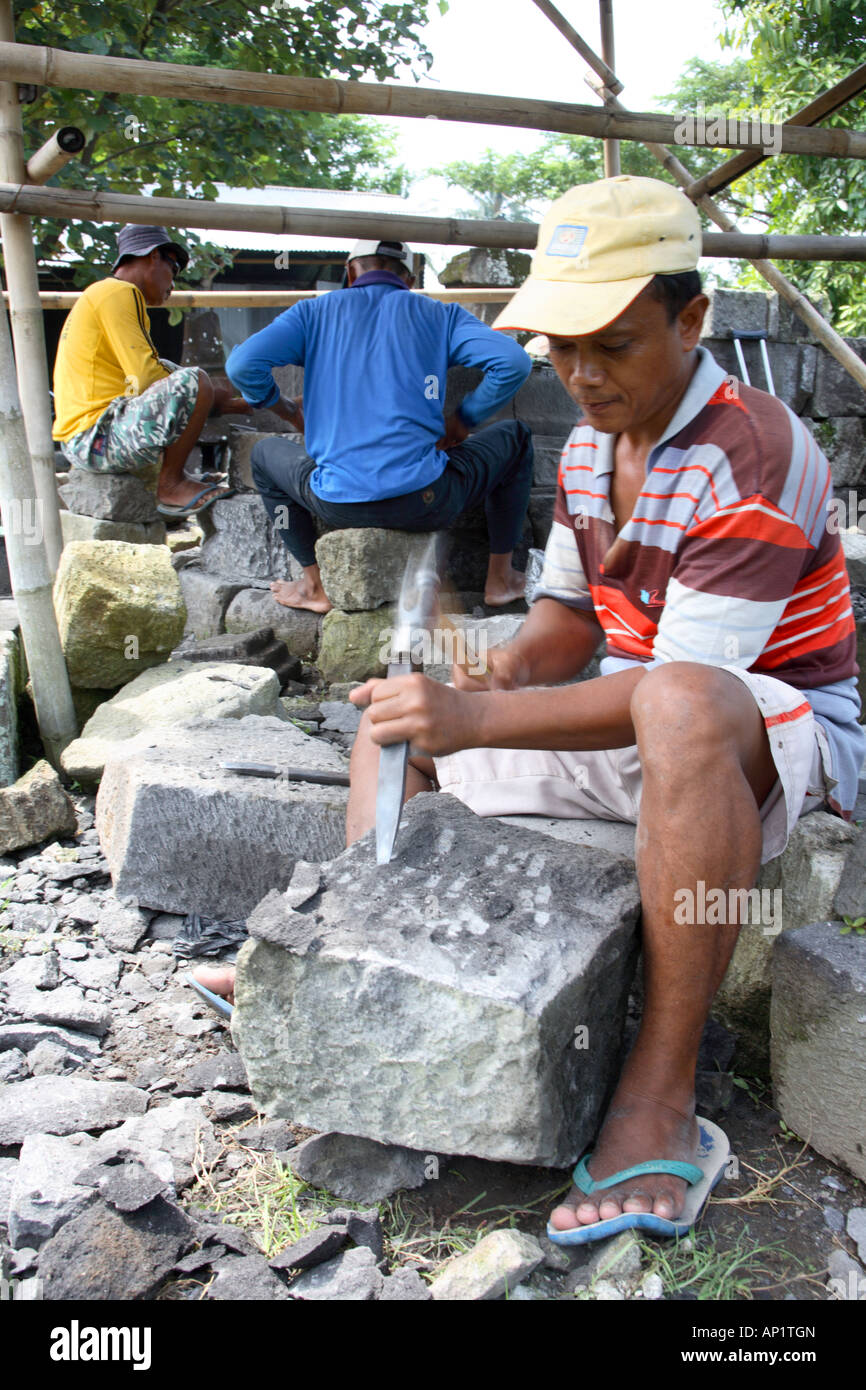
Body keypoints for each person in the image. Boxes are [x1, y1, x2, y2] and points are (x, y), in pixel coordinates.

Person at [342, 176, 866, 1241]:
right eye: (560, 348)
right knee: (389, 722)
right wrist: (457, 677)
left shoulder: (750, 450)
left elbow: (674, 684)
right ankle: (352, 958)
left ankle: (657, 1091)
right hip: (647, 718)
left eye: (613, 345)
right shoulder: (587, 447)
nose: (579, 374)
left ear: (689, 319)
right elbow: (562, 632)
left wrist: (479, 722)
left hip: (779, 729)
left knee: (670, 701)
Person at [224, 237, 534, 613]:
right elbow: (513, 363)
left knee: (264, 454)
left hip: (336, 502)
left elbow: (242, 366)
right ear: (410, 276)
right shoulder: (439, 315)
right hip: (427, 499)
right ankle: (500, 578)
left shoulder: (312, 313)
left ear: (349, 272)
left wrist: (288, 409)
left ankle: (313, 584)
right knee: (516, 438)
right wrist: (463, 421)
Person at [53, 224, 247, 518]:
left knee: (178, 374)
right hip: (95, 438)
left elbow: (150, 378)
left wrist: (229, 403)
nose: (173, 284)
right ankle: (170, 484)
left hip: (86, 438)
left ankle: (174, 479)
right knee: (192, 379)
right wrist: (204, 389)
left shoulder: (103, 295)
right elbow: (145, 378)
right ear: (154, 256)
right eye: (174, 269)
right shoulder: (119, 292)